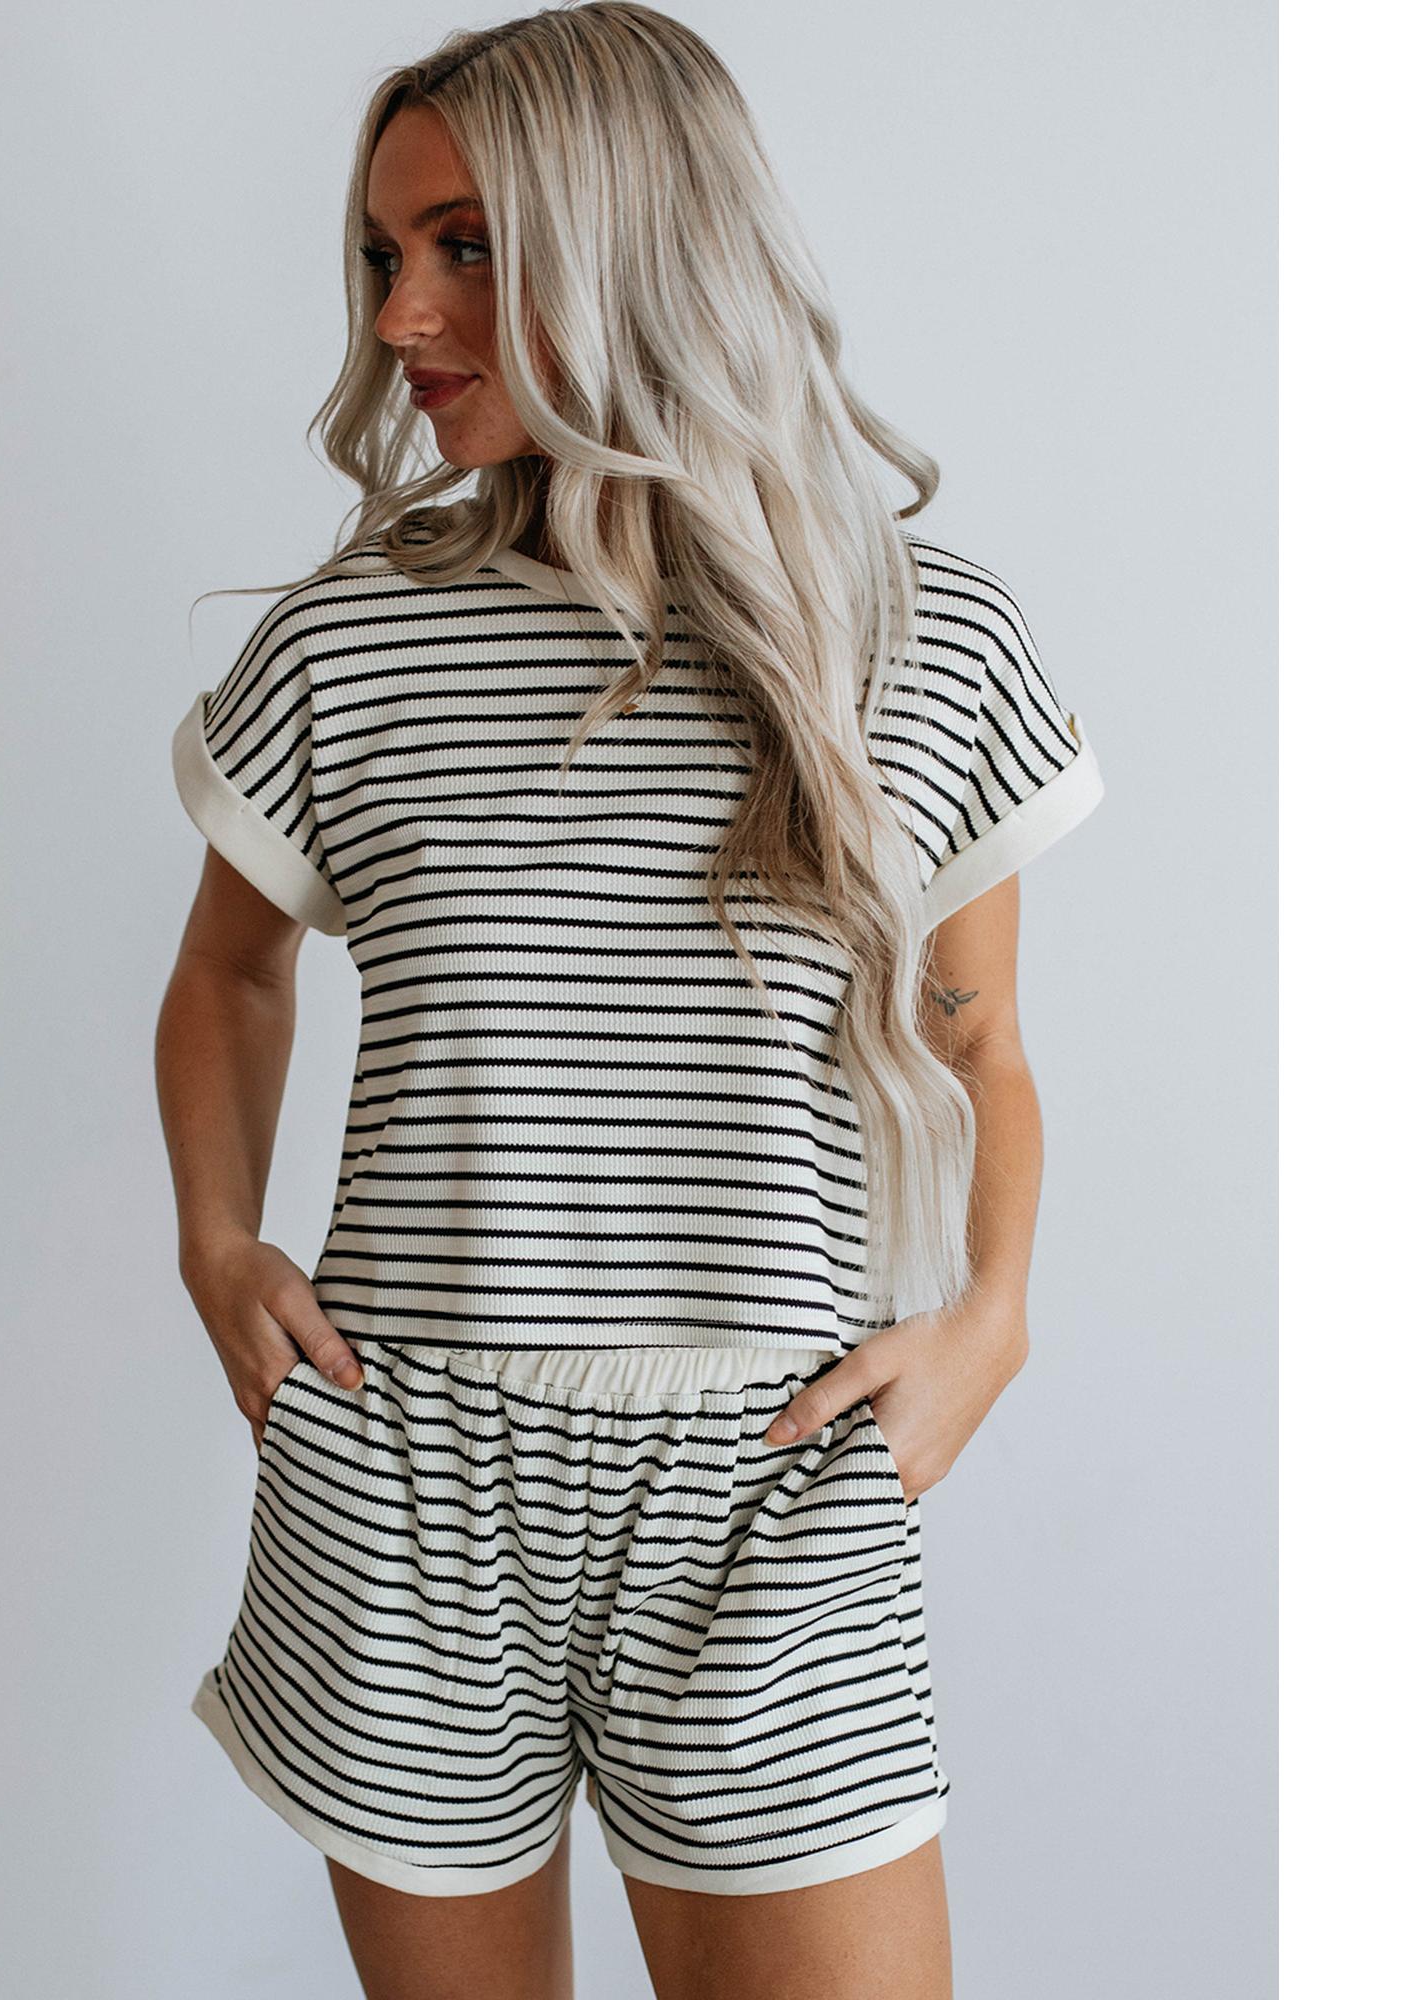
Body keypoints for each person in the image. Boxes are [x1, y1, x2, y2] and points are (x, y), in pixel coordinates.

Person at [155, 7, 1103, 1996]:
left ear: (637, 245)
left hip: (770, 1487)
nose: (400, 315)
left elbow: (977, 1039)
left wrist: (992, 1317)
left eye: (467, 246)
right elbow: (232, 969)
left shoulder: (922, 638)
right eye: (382, 253)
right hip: (404, 1476)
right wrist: (216, 1241)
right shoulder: (352, 641)